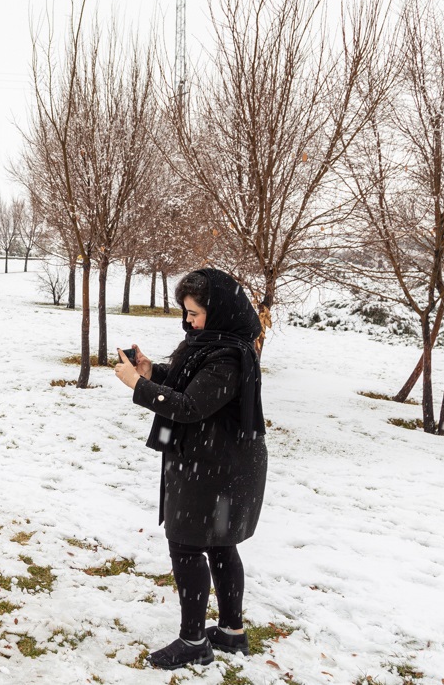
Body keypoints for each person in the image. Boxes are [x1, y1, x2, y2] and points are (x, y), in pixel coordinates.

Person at [114, 268, 268, 670]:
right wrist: (152, 372)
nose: (189, 321)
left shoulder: (227, 356)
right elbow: (190, 386)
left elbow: (188, 406)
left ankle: (193, 641)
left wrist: (136, 385)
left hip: (214, 465)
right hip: (222, 461)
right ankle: (232, 633)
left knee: (186, 545)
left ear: (217, 311)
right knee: (219, 543)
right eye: (186, 312)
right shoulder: (215, 345)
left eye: (195, 313)